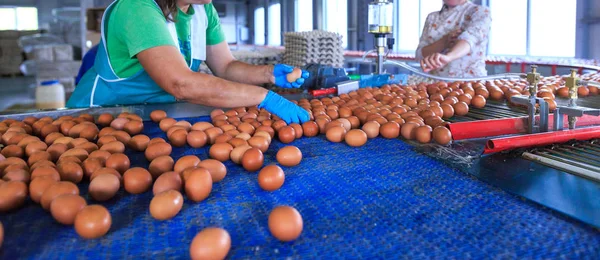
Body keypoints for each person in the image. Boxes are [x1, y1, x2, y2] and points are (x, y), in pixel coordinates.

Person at [67, 0, 309, 124]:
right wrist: (263, 97)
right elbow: (180, 84)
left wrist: (268, 74)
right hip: (100, 117)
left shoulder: (203, 10)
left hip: (156, 116)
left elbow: (225, 66)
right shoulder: (137, 7)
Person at [415, 0, 491, 77]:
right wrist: (443, 41)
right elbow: (420, 54)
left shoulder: (479, 11)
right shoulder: (432, 17)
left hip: (471, 83)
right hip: (437, 84)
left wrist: (449, 57)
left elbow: (470, 38)